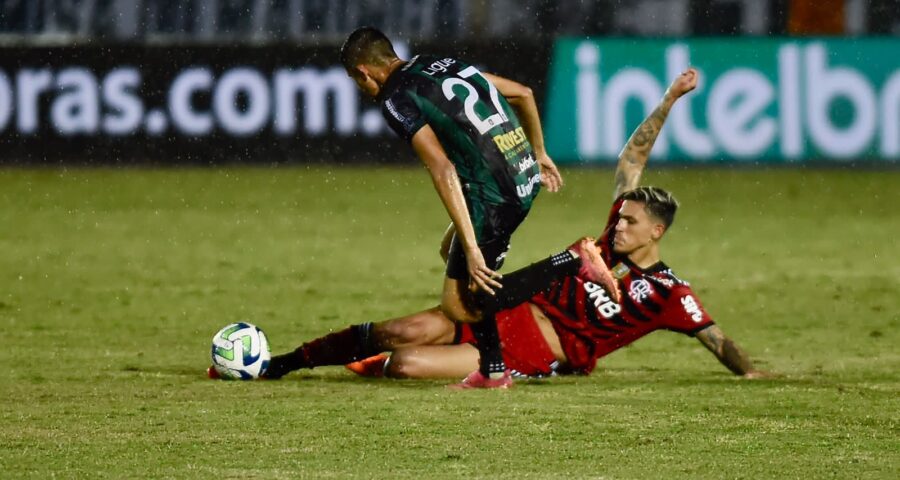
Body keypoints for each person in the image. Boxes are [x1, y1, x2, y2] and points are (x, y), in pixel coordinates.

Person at [231, 68, 767, 382]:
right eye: (620, 216)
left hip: (534, 349)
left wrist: (752, 373)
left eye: (631, 222)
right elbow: (634, 156)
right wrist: (669, 100)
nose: (619, 224)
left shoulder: (669, 293)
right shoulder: (608, 239)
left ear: (657, 233)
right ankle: (283, 364)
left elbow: (718, 341)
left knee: (407, 363)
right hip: (508, 302)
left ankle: (381, 364)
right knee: (400, 329)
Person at [336, 26, 577, 387]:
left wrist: (473, 246)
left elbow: (442, 168)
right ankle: (492, 363)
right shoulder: (437, 63)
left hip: (496, 195)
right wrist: (538, 152)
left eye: (356, 82)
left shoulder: (395, 97)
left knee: (458, 303)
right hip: (522, 174)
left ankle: (500, 365)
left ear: (364, 72)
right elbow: (523, 93)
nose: (360, 89)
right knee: (450, 251)